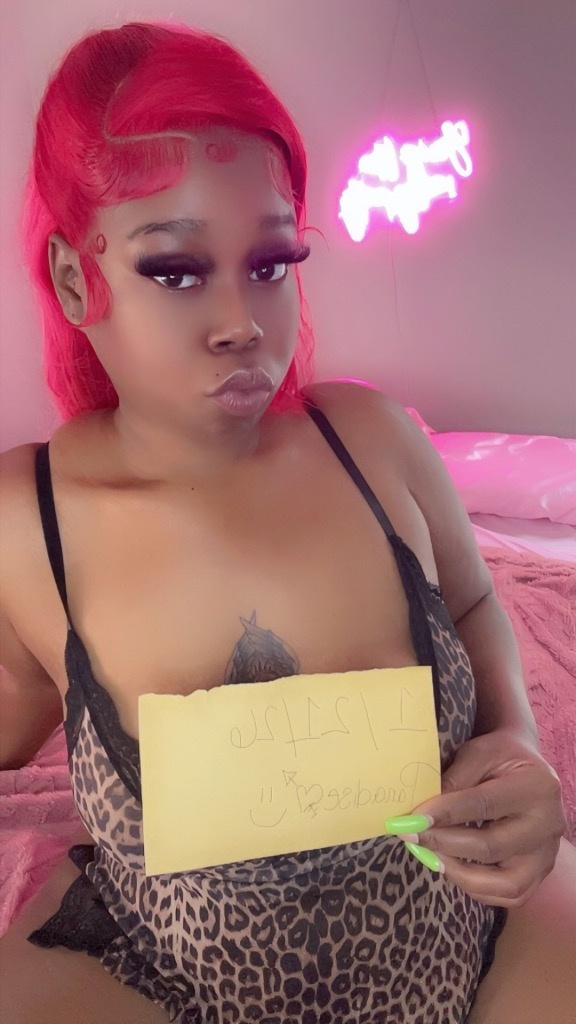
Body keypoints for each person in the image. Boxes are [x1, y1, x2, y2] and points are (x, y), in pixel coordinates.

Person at [0, 20, 574, 1024]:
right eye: (177, 271)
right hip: (168, 976)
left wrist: (520, 744)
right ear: (75, 279)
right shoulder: (28, 522)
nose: (242, 323)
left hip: (471, 939)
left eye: (271, 261)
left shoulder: (375, 442)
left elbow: (475, 600)